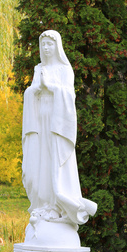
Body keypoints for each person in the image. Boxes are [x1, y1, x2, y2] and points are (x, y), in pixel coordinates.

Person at [22, 30, 97, 237]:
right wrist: (34, 91)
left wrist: (52, 87)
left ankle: (57, 205)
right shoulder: (39, 69)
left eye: (50, 45)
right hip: (40, 122)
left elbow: (68, 96)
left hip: (56, 125)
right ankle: (43, 204)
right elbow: (30, 92)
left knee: (54, 163)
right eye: (43, 44)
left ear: (57, 47)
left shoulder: (64, 69)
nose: (46, 48)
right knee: (38, 165)